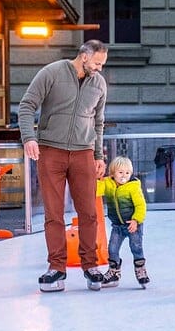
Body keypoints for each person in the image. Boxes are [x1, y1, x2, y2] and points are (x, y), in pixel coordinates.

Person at [18, 39, 109, 292]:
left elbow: (98, 122)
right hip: (51, 152)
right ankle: (56, 268)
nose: (100, 69)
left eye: (103, 64)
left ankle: (91, 267)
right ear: (84, 57)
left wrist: (98, 155)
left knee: (89, 213)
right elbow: (26, 106)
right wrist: (29, 138)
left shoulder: (98, 84)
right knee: (54, 214)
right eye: (97, 63)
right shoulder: (52, 73)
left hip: (84, 154)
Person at [97, 156, 150, 288]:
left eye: (127, 173)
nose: (124, 176)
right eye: (120, 172)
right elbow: (96, 190)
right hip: (117, 226)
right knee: (112, 249)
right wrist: (95, 178)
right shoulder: (108, 184)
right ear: (113, 173)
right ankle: (114, 272)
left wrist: (136, 220)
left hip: (133, 225)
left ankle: (140, 270)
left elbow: (141, 205)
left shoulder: (133, 187)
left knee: (136, 247)